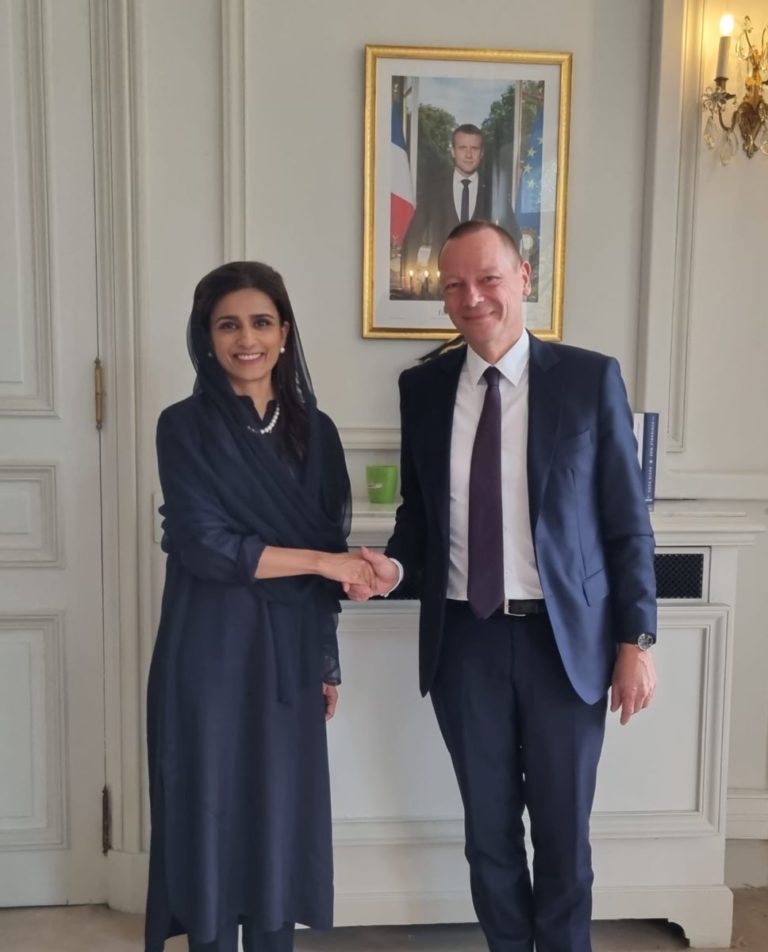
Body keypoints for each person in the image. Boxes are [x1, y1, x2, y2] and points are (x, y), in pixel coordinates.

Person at [349, 221, 658, 952]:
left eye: (488, 279)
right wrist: (394, 568)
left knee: (562, 836)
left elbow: (626, 522)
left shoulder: (588, 379)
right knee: (487, 836)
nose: (472, 297)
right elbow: (419, 520)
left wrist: (636, 640)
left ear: (523, 278)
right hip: (466, 641)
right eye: (454, 284)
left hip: (565, 644)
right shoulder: (422, 389)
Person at [145, 261, 373, 952]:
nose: (247, 339)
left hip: (288, 650)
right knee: (212, 808)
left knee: (279, 816)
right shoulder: (183, 427)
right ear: (206, 337)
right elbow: (206, 545)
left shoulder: (317, 432)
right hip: (208, 647)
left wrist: (324, 662)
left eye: (261, 322)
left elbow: (328, 546)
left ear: (285, 333)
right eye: (228, 325)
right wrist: (323, 563)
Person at [401, 125, 521, 297]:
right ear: (453, 151)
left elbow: (513, 235)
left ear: (481, 153)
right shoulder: (433, 189)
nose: (468, 154)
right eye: (463, 148)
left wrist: (510, 276)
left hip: (483, 289)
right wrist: (407, 273)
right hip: (439, 284)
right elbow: (414, 233)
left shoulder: (493, 192)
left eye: (474, 148)